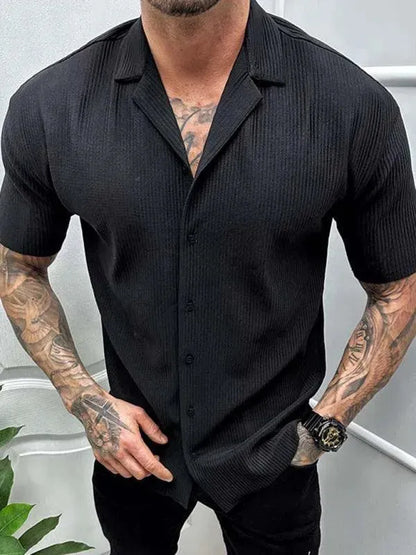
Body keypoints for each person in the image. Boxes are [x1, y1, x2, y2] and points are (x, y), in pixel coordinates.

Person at [1, 0, 416, 553]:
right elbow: (19, 265)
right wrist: (85, 400)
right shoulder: (50, 106)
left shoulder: (352, 105)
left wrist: (322, 429)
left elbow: (397, 288)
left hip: (275, 460)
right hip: (132, 453)